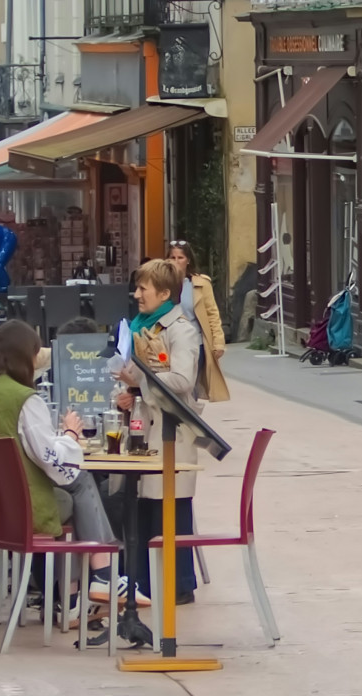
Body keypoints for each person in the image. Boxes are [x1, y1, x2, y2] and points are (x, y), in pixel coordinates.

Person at [0, 322, 123, 601]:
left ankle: (80, 591)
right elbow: (49, 459)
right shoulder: (23, 398)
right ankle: (95, 580)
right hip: (16, 506)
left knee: (75, 488)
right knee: (79, 483)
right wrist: (69, 434)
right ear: (24, 356)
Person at [114, 259, 211, 605]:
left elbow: (183, 380)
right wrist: (126, 395)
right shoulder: (139, 325)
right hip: (142, 430)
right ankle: (141, 584)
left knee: (168, 507)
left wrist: (139, 383)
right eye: (137, 287)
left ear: (165, 293)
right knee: (141, 509)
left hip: (170, 433)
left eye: (144, 288)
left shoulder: (181, 330)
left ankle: (175, 585)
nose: (137, 294)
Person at [164, 241, 230, 403]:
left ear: (188, 261)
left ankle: (190, 419)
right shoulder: (162, 283)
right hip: (167, 341)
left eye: (180, 257)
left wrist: (218, 343)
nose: (176, 261)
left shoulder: (200, 284)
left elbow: (212, 314)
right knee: (170, 383)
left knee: (189, 385)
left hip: (195, 343)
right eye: (172, 257)